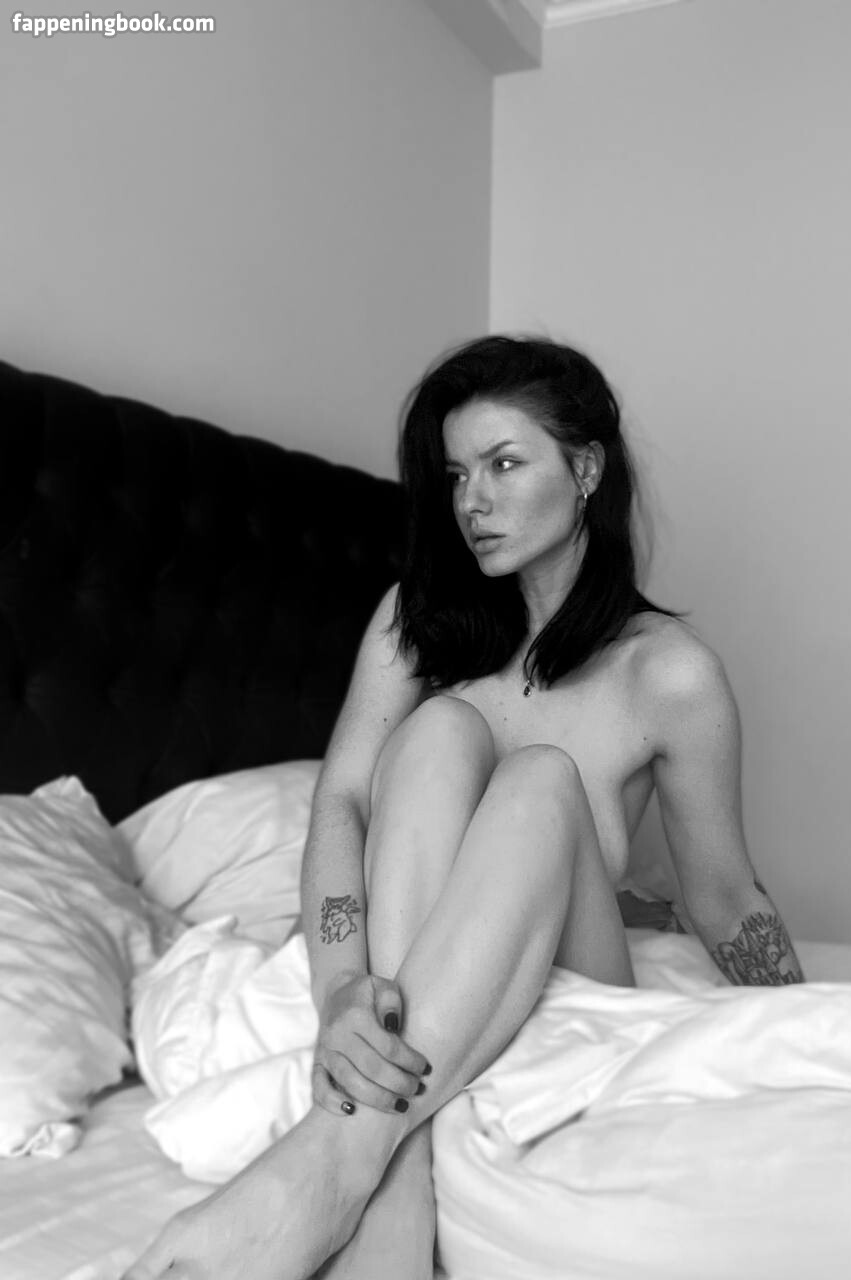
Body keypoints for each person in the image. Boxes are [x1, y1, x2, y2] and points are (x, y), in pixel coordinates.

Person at [124, 335, 804, 1280]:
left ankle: (339, 1158)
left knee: (538, 778)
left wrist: (804, 1032)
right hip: (404, 990)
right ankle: (397, 1177)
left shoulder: (667, 673)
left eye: (503, 464)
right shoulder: (416, 621)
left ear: (586, 470)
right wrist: (340, 992)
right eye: (454, 476)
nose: (471, 501)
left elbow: (723, 897)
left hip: (564, 986)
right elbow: (341, 805)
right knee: (443, 729)